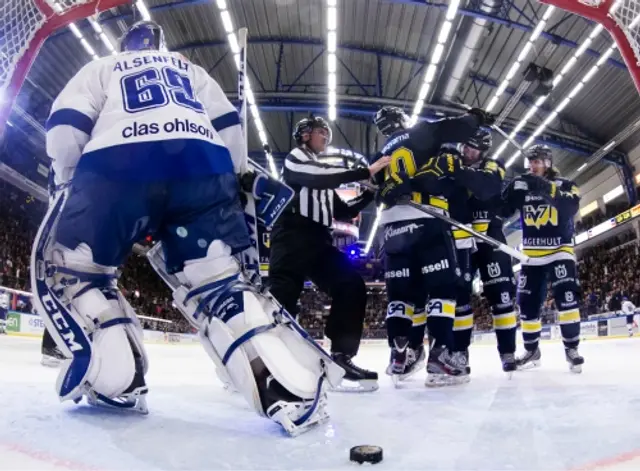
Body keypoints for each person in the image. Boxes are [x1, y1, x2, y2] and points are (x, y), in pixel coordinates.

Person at [32, 20, 341, 437]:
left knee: (82, 273)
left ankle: (116, 382)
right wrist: (231, 183)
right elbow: (231, 126)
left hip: (116, 165)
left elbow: (66, 124)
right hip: (202, 166)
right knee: (220, 282)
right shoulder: (190, 71)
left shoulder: (104, 66)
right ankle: (290, 390)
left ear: (125, 46)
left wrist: (71, 180)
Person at [371, 105, 494, 386]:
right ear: (403, 120)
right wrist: (476, 118)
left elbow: (380, 195)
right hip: (427, 220)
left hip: (391, 228)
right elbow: (456, 127)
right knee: (442, 289)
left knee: (401, 297)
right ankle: (439, 355)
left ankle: (399, 358)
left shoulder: (378, 157)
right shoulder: (419, 133)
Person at [268, 116, 388, 392]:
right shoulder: (296, 158)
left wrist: (372, 193)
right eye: (320, 132)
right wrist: (364, 172)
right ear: (305, 135)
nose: (325, 136)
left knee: (351, 285)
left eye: (327, 132)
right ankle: (269, 357)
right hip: (292, 235)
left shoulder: (323, 181)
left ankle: (341, 357)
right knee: (283, 294)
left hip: (319, 239)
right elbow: (316, 175)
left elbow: (345, 210)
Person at [502, 144, 584, 373]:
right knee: (526, 303)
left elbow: (569, 208)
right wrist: (508, 192)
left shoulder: (566, 184)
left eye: (537, 161)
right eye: (530, 161)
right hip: (531, 255)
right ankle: (531, 350)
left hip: (560, 250)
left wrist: (546, 188)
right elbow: (504, 210)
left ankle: (571, 348)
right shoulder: (522, 183)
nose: (532, 165)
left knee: (566, 297)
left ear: (548, 163)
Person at [447, 128, 518, 378]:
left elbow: (486, 187)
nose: (467, 151)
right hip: (460, 239)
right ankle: (459, 353)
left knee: (502, 298)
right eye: (465, 145)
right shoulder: (450, 160)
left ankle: (508, 352)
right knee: (459, 301)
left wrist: (455, 171)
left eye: (473, 148)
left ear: (483, 150)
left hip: (490, 238)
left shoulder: (494, 165)